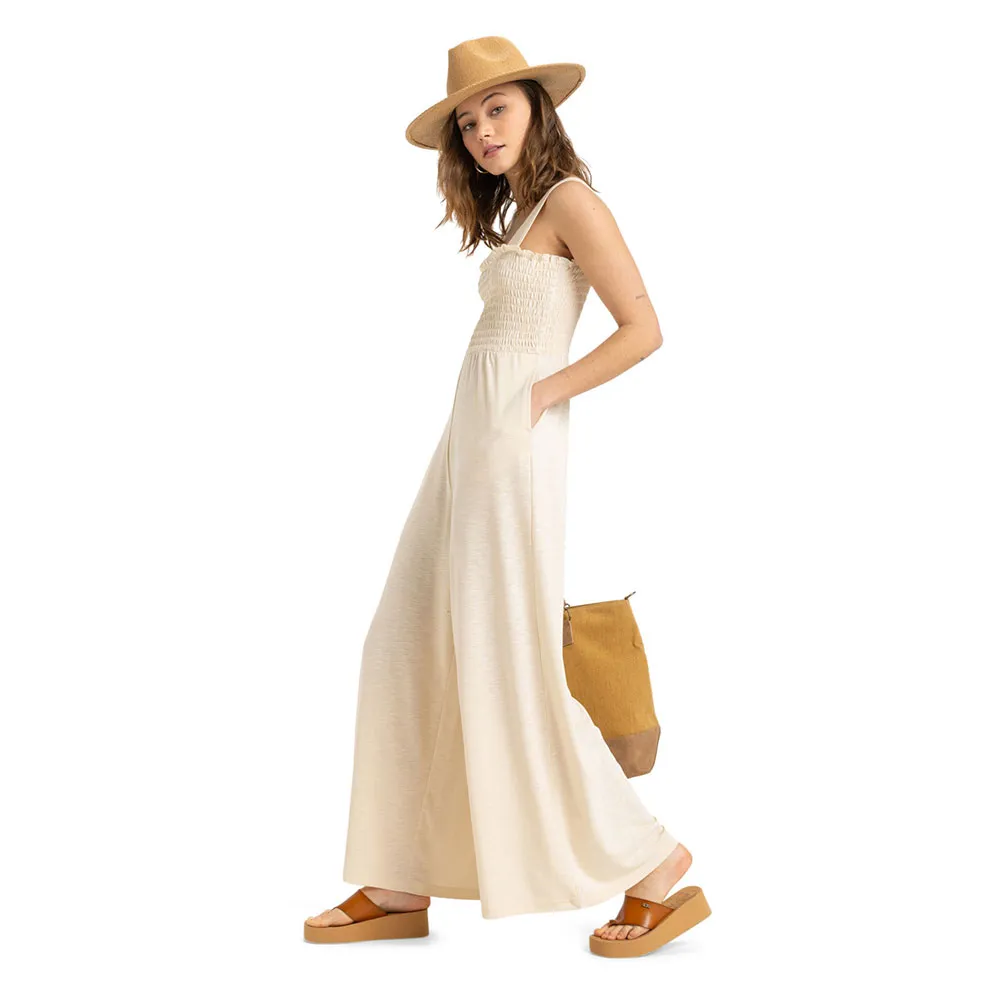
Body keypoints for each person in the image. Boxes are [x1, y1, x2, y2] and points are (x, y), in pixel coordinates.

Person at [304, 36, 710, 958]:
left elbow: (643, 327)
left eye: (498, 109)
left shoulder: (570, 200)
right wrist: (496, 415)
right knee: (403, 642)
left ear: (536, 107)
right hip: (470, 444)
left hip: (514, 447)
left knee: (509, 662)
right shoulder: (525, 210)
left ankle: (654, 862)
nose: (483, 130)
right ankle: (399, 875)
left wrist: (538, 396)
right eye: (467, 121)